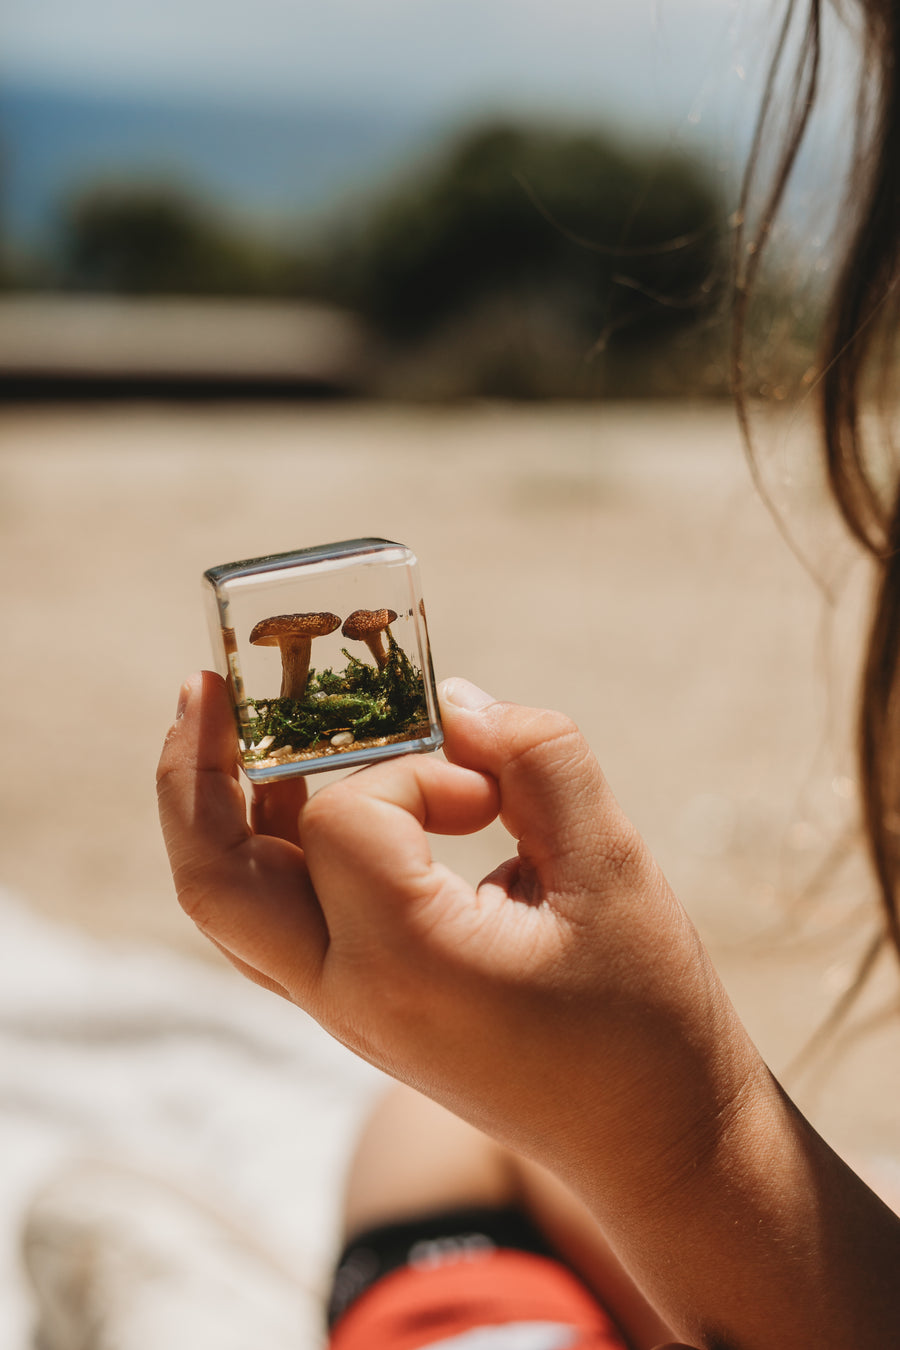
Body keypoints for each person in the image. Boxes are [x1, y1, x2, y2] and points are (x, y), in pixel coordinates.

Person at [157, 2, 900, 1346]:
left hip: (456, 1271)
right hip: (570, 1248)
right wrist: (667, 1124)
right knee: (442, 1135)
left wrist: (670, 1123)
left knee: (419, 1136)